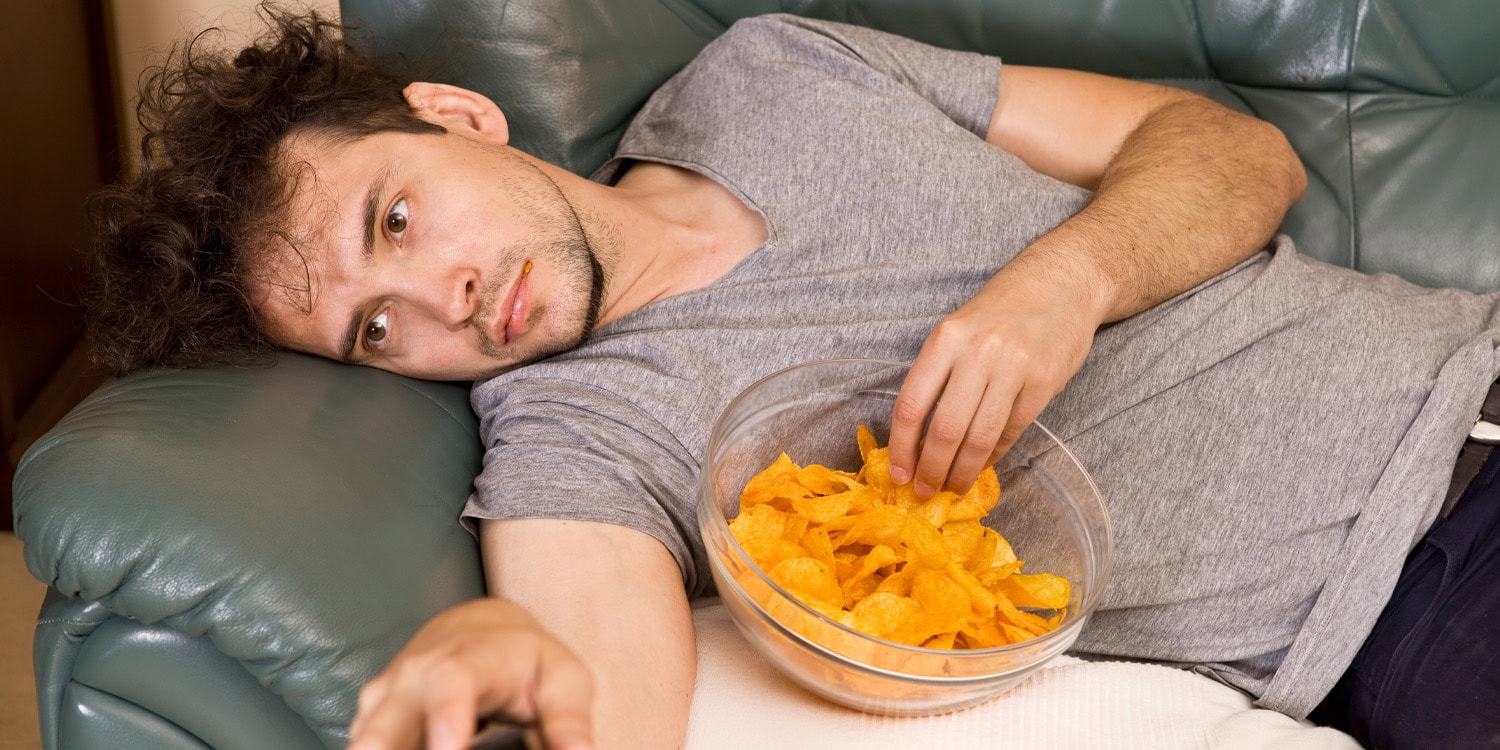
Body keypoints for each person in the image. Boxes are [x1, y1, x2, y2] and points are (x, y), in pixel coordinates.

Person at [85, 7, 1499, 750]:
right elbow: (607, 704)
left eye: (396, 220)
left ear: (458, 117)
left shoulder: (772, 70)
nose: (436, 299)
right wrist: (487, 668)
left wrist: (1062, 284)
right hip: (1417, 608)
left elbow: (1239, 151)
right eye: (375, 334)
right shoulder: (572, 442)